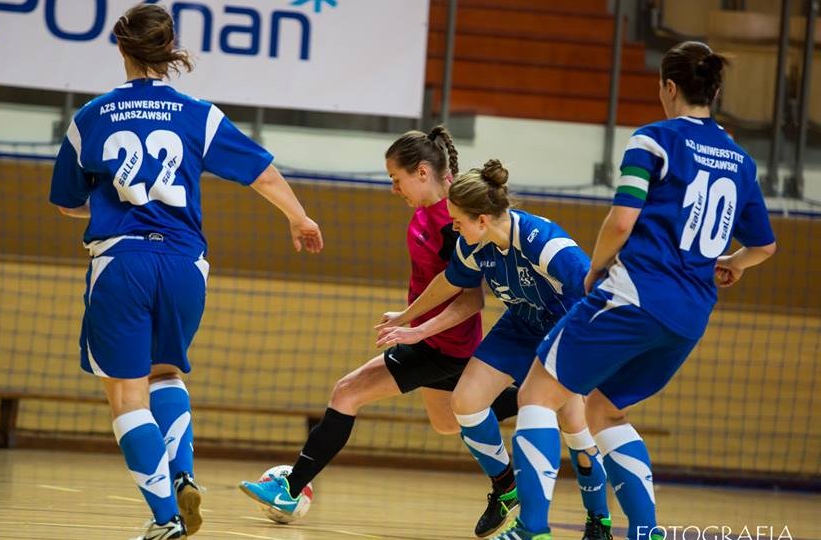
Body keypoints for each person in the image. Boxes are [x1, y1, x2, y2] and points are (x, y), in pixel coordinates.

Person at [49, 4, 323, 539]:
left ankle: (164, 520)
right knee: (166, 374)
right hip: (185, 264)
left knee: (127, 396)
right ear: (170, 50)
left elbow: (65, 203)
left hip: (122, 262)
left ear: (122, 48)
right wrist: (299, 216)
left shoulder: (91, 117)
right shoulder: (199, 112)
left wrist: (108, 206)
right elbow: (261, 172)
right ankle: (183, 475)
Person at [492, 42, 777, 540]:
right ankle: (645, 532)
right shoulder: (740, 160)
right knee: (603, 408)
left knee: (538, 390)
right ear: (713, 89)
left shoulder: (652, 141)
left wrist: (596, 268)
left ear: (668, 86)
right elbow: (765, 246)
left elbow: (622, 220)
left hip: (635, 294)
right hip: (690, 316)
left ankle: (532, 529)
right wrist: (731, 262)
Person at [238, 126, 520, 530]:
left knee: (348, 392)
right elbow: (437, 286)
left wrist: (416, 331)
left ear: (423, 172)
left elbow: (470, 298)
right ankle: (538, 401)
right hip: (432, 338)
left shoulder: (452, 224)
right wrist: (407, 317)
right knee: (447, 421)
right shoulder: (425, 215)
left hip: (442, 344)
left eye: (395, 179)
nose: (393, 189)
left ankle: (291, 488)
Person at [375, 159, 613, 539]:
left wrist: (590, 356)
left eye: (458, 220)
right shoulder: (475, 246)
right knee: (465, 401)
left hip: (566, 330)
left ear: (482, 219)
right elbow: (447, 283)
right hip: (520, 325)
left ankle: (598, 519)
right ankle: (507, 487)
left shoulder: (546, 244)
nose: (453, 226)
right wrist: (407, 318)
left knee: (573, 423)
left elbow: (595, 293)